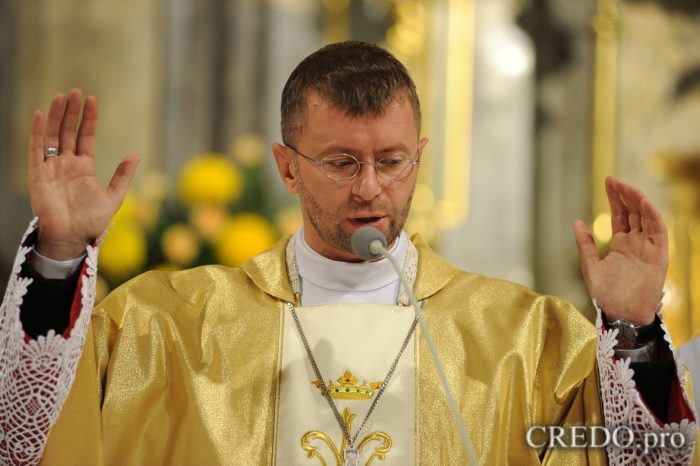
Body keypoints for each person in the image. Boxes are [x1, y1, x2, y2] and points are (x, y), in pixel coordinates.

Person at [0, 41, 696, 465]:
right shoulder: (170, 327)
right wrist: (59, 254)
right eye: (340, 162)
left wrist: (633, 331)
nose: (370, 189)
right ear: (287, 167)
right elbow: (31, 433)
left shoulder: (525, 338)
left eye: (391, 161)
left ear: (419, 156)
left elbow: (653, 456)